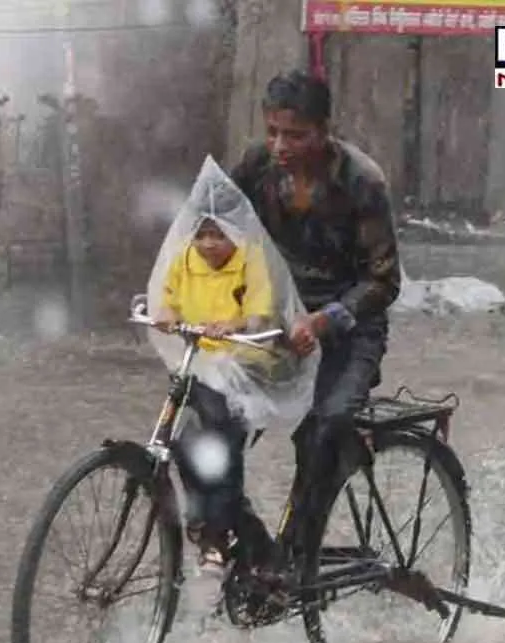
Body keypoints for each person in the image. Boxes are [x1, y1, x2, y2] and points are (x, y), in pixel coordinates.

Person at [229, 69, 402, 564]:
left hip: (350, 329)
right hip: (279, 318)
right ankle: (251, 547)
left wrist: (325, 321)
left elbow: (384, 281)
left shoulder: (361, 180)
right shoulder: (257, 166)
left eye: (296, 135)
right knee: (218, 421)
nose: (281, 145)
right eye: (273, 132)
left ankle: (300, 563)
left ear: (324, 131)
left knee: (323, 429)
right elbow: (216, 223)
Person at [152, 213, 278, 571]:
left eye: (218, 236)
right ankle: (244, 542)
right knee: (178, 440)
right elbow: (170, 296)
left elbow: (260, 311)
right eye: (202, 235)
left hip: (241, 371)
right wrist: (165, 313)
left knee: (223, 454)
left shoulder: (249, 261)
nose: (208, 244)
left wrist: (233, 324)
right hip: (198, 365)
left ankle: (216, 537)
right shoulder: (185, 261)